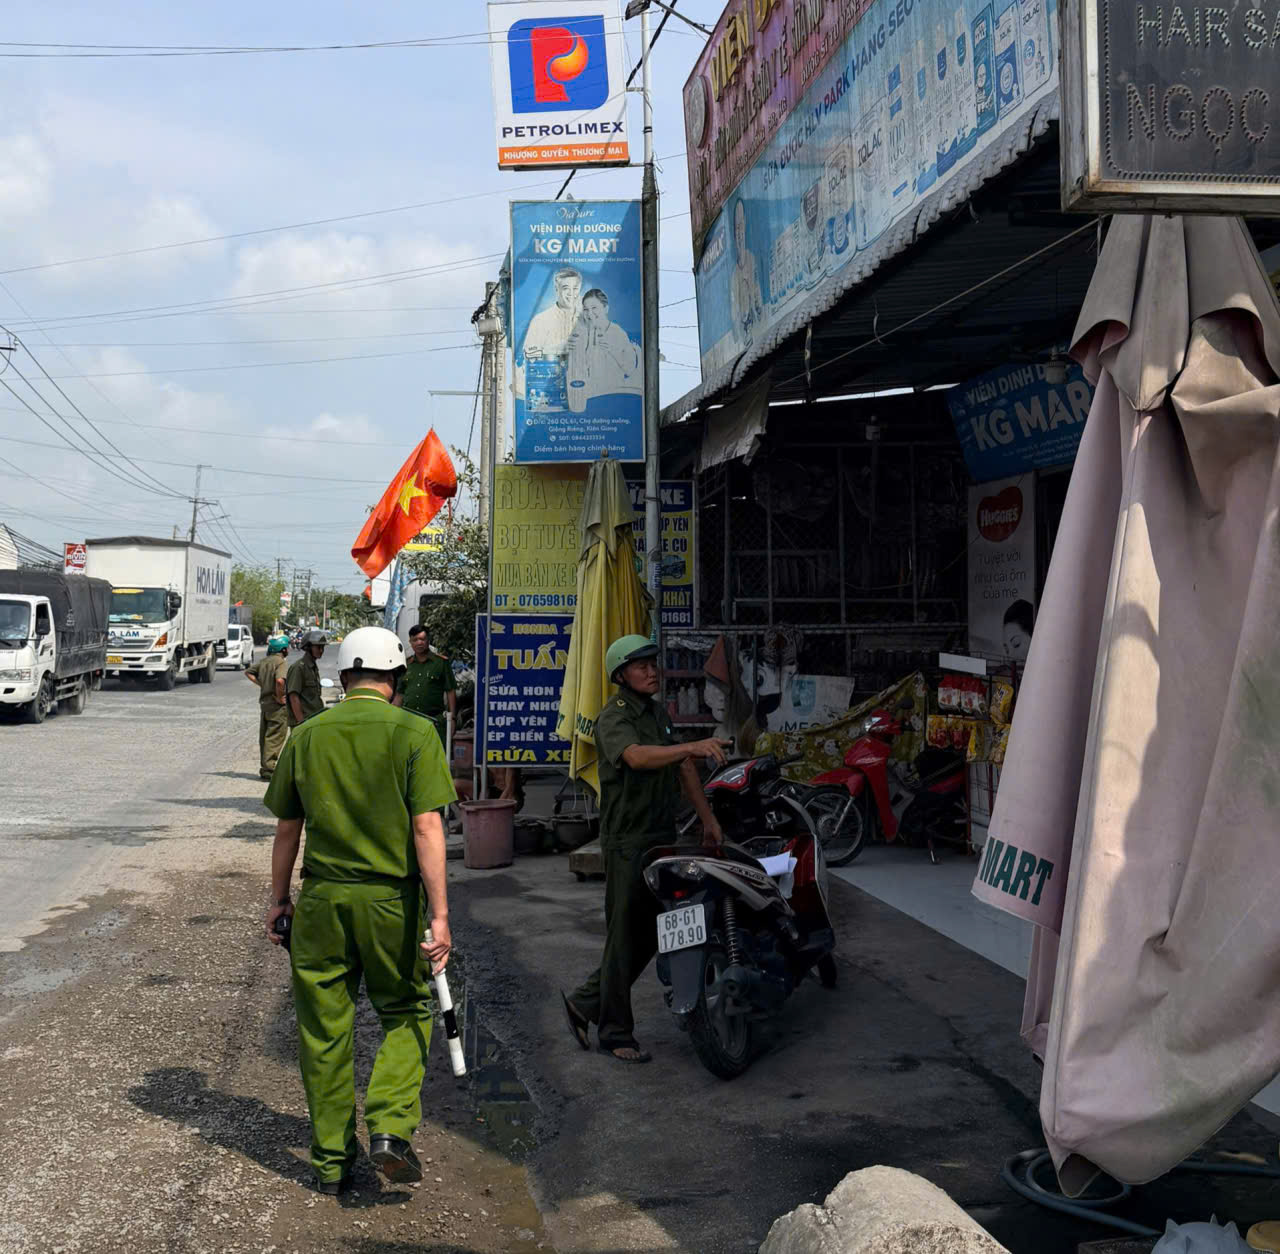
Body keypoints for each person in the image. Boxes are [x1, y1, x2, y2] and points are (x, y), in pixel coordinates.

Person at [264, 626, 456, 1194]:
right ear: (396, 679)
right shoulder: (416, 732)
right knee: (406, 1009)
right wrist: (440, 915)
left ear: (344, 677)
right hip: (391, 903)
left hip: (323, 900)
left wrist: (279, 900)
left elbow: (287, 828)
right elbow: (427, 828)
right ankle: (390, 1128)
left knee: (324, 1029)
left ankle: (330, 1163)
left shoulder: (307, 735)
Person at [561, 635, 731, 1064]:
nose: (652, 672)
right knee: (623, 937)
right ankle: (614, 1032)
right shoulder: (613, 717)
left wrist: (708, 820)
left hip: (661, 835)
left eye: (654, 664)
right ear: (621, 675)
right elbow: (636, 757)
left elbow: (683, 766)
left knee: (660, 930)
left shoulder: (657, 713)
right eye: (641, 666)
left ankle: (584, 1002)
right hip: (628, 839)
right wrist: (690, 745)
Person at [391, 624, 457, 750]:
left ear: (428, 640)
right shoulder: (406, 665)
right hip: (408, 722)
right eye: (415, 640)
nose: (419, 643)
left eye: (422, 639)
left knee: (434, 756)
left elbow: (450, 691)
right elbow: (399, 695)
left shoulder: (441, 663)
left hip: (433, 722)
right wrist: (391, 717)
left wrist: (452, 718)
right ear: (410, 642)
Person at [568, 288, 640, 399]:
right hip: (590, 396)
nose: (589, 313)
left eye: (594, 308)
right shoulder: (583, 333)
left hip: (612, 396)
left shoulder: (617, 333)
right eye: (586, 309)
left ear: (606, 309)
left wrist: (613, 350)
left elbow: (630, 369)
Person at [246, 634, 290, 781]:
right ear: (283, 649)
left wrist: (262, 684)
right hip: (277, 706)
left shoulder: (265, 661)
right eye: (287, 647)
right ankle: (270, 769)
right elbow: (280, 681)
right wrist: (280, 696)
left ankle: (265, 768)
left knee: (265, 737)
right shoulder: (280, 662)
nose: (289, 650)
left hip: (265, 705)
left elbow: (248, 672)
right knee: (275, 737)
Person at [521, 267, 583, 365]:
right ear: (556, 289)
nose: (571, 293)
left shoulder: (588, 320)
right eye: (566, 288)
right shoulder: (540, 320)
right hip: (550, 373)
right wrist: (558, 348)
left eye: (575, 288)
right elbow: (529, 354)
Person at [730, 199, 764, 342]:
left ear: (745, 226)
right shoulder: (734, 277)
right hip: (745, 342)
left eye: (741, 226)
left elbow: (758, 299)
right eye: (736, 229)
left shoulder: (752, 260)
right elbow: (735, 324)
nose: (739, 233)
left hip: (760, 336)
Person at [286, 629, 327, 727]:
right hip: (304, 723)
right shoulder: (299, 668)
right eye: (318, 647)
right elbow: (293, 697)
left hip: (313, 720)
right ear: (308, 647)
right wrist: (302, 724)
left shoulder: (312, 667)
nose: (321, 650)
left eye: (322, 647)